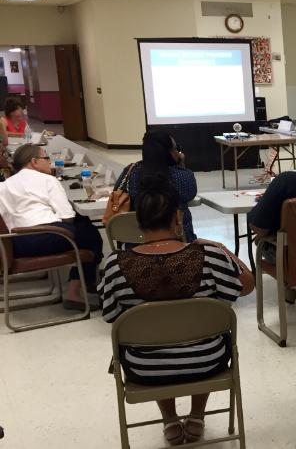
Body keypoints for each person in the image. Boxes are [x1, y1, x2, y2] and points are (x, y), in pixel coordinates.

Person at [98, 174, 254, 445]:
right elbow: (247, 286)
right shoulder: (210, 257)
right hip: (208, 360)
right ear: (177, 218)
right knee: (207, 334)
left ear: (138, 221)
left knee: (155, 339)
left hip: (145, 368)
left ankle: (170, 420)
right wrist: (223, 248)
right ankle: (196, 416)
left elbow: (112, 316)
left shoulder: (113, 265)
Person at [0, 145, 103, 310]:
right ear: (34, 162)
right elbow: (67, 217)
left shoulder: (5, 185)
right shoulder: (48, 180)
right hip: (47, 235)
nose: (50, 163)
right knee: (91, 234)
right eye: (46, 158)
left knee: (83, 225)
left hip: (14, 244)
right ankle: (76, 290)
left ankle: (87, 280)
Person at [117, 131, 198, 242]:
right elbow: (190, 195)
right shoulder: (183, 175)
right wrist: (181, 164)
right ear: (169, 152)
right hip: (180, 241)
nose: (178, 152)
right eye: (176, 148)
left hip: (137, 242)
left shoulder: (131, 172)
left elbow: (117, 190)